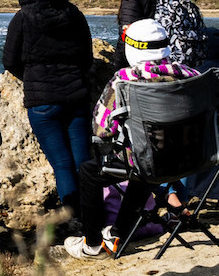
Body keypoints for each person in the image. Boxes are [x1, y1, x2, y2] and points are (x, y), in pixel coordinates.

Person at [64, 19, 199, 258]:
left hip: (146, 162)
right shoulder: (193, 76)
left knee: (90, 171)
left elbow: (101, 130)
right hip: (191, 160)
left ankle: (92, 244)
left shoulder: (125, 80)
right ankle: (117, 233)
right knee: (143, 167)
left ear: (132, 49)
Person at [3, 0, 94, 218]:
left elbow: (10, 60)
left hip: (42, 101)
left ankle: (73, 217)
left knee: (62, 165)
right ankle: (92, 213)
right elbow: (86, 58)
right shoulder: (74, 14)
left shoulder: (22, 17)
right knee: (83, 161)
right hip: (76, 96)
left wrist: (31, 77)